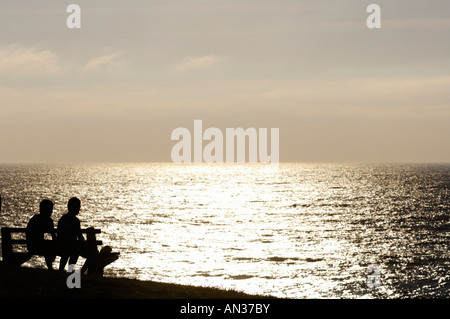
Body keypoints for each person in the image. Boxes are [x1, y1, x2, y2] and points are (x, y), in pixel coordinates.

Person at [26, 199, 57, 270]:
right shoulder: (48, 220)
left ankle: (50, 267)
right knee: (49, 246)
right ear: (48, 210)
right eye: (51, 209)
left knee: (47, 245)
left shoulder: (34, 218)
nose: (52, 212)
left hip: (30, 246)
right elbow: (53, 236)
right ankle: (50, 268)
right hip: (39, 246)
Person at [57, 197, 86, 271]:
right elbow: (79, 236)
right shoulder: (75, 220)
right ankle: (70, 270)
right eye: (78, 207)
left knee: (65, 255)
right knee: (75, 252)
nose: (79, 209)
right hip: (71, 246)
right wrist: (85, 244)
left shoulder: (62, 218)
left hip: (61, 245)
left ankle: (61, 269)